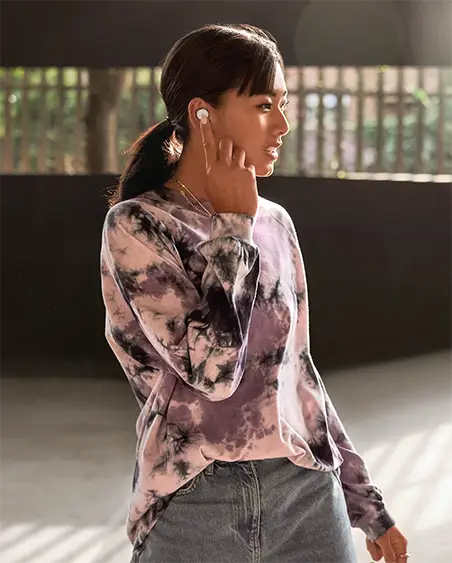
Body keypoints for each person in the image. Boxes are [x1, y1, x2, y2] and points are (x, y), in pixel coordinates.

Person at [100, 23, 409, 563]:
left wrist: (365, 502)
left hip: (307, 495)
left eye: (283, 105)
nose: (283, 125)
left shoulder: (276, 222)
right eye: (265, 105)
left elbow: (298, 371)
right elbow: (212, 374)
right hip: (195, 503)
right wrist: (232, 229)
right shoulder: (137, 226)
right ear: (203, 113)